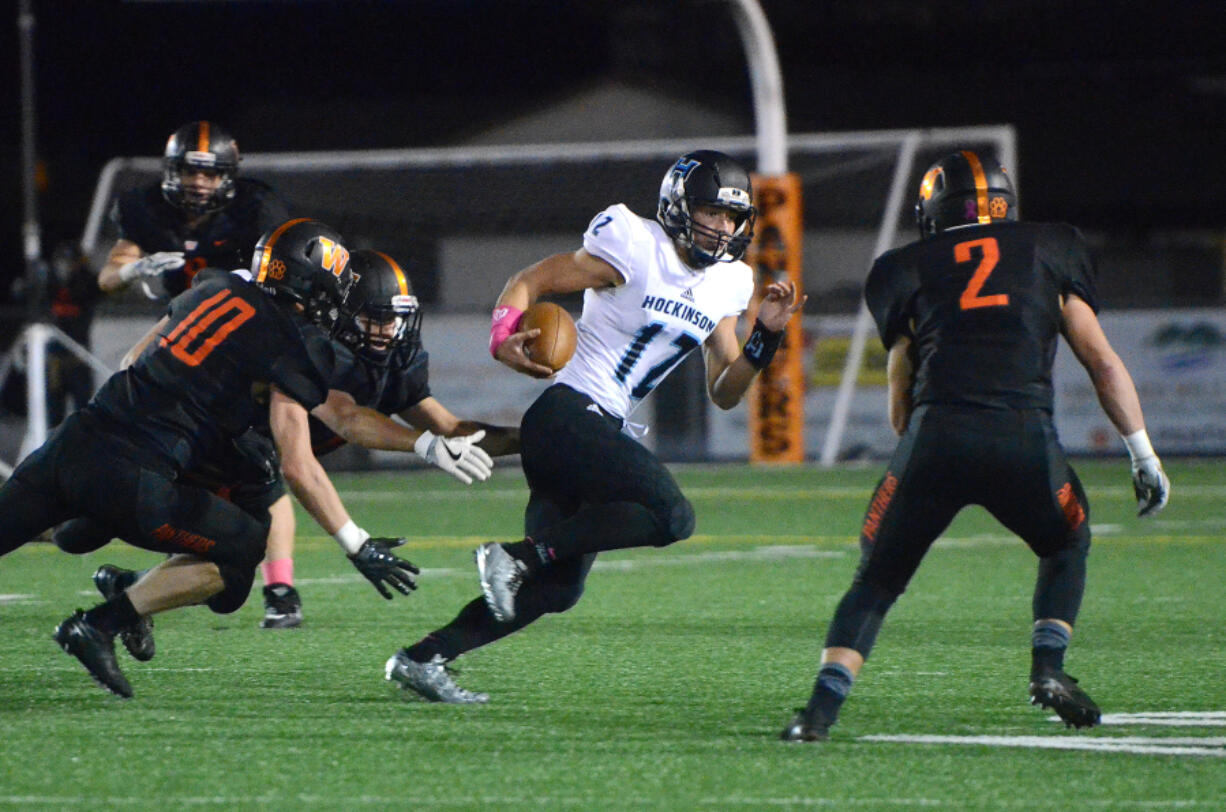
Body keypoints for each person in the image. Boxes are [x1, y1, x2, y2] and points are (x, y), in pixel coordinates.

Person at [0, 218, 488, 698]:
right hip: (136, 472)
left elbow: (132, 361)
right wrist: (357, 544)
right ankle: (100, 624)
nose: (338, 301)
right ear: (310, 284)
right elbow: (300, 462)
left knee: (60, 530)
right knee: (242, 548)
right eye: (333, 287)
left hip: (76, 438)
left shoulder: (212, 287)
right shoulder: (292, 343)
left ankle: (104, 553)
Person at [385, 150, 805, 703]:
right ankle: (514, 556)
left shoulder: (729, 282)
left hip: (597, 428)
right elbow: (530, 279)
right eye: (712, 212)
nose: (724, 228)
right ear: (679, 207)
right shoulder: (636, 244)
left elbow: (725, 390)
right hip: (567, 415)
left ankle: (423, 657)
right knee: (672, 515)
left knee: (556, 589)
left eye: (732, 217)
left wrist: (765, 338)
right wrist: (502, 337)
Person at [780, 150, 1171, 742]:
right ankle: (1047, 670)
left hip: (936, 436)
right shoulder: (1051, 247)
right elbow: (1102, 361)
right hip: (1023, 438)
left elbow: (900, 385)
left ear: (933, 210)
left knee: (876, 582)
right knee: (1067, 540)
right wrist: (1143, 453)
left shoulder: (900, 268)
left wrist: (917, 456)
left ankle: (817, 715)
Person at [97, 121, 288, 300]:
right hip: (178, 316)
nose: (198, 182)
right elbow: (107, 280)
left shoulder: (256, 206)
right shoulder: (147, 205)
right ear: (173, 171)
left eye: (210, 174)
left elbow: (287, 274)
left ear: (227, 176)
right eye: (189, 172)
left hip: (242, 313)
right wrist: (134, 270)